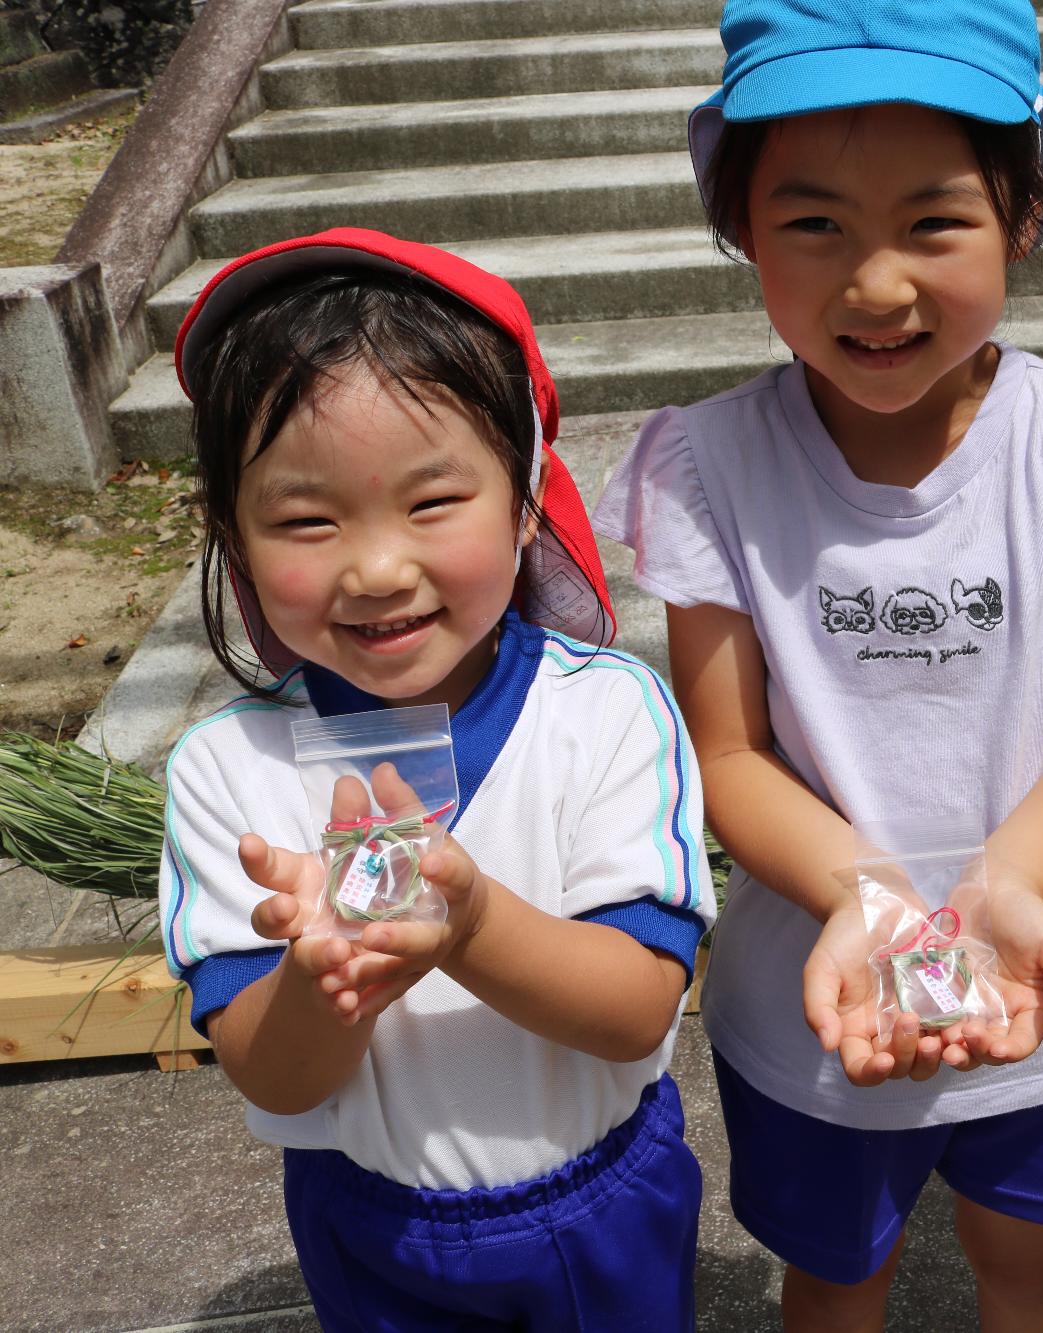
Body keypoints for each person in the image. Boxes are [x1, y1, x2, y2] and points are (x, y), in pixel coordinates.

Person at [591, 1, 1043, 1326]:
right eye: (812, 223)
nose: (875, 285)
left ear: (1024, 218)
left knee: (1026, 1260)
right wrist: (871, 902)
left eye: (935, 222)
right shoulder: (705, 466)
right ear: (740, 227)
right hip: (816, 989)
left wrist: (1003, 885)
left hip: (1039, 972)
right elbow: (730, 755)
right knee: (833, 1273)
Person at [157, 229, 711, 1331]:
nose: (374, 567)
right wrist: (324, 978)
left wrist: (468, 923)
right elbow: (275, 1078)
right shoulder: (228, 770)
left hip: (598, 1200)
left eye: (430, 502)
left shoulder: (604, 714)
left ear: (524, 504)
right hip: (373, 1222)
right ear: (233, 538)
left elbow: (636, 1007)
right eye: (306, 518)